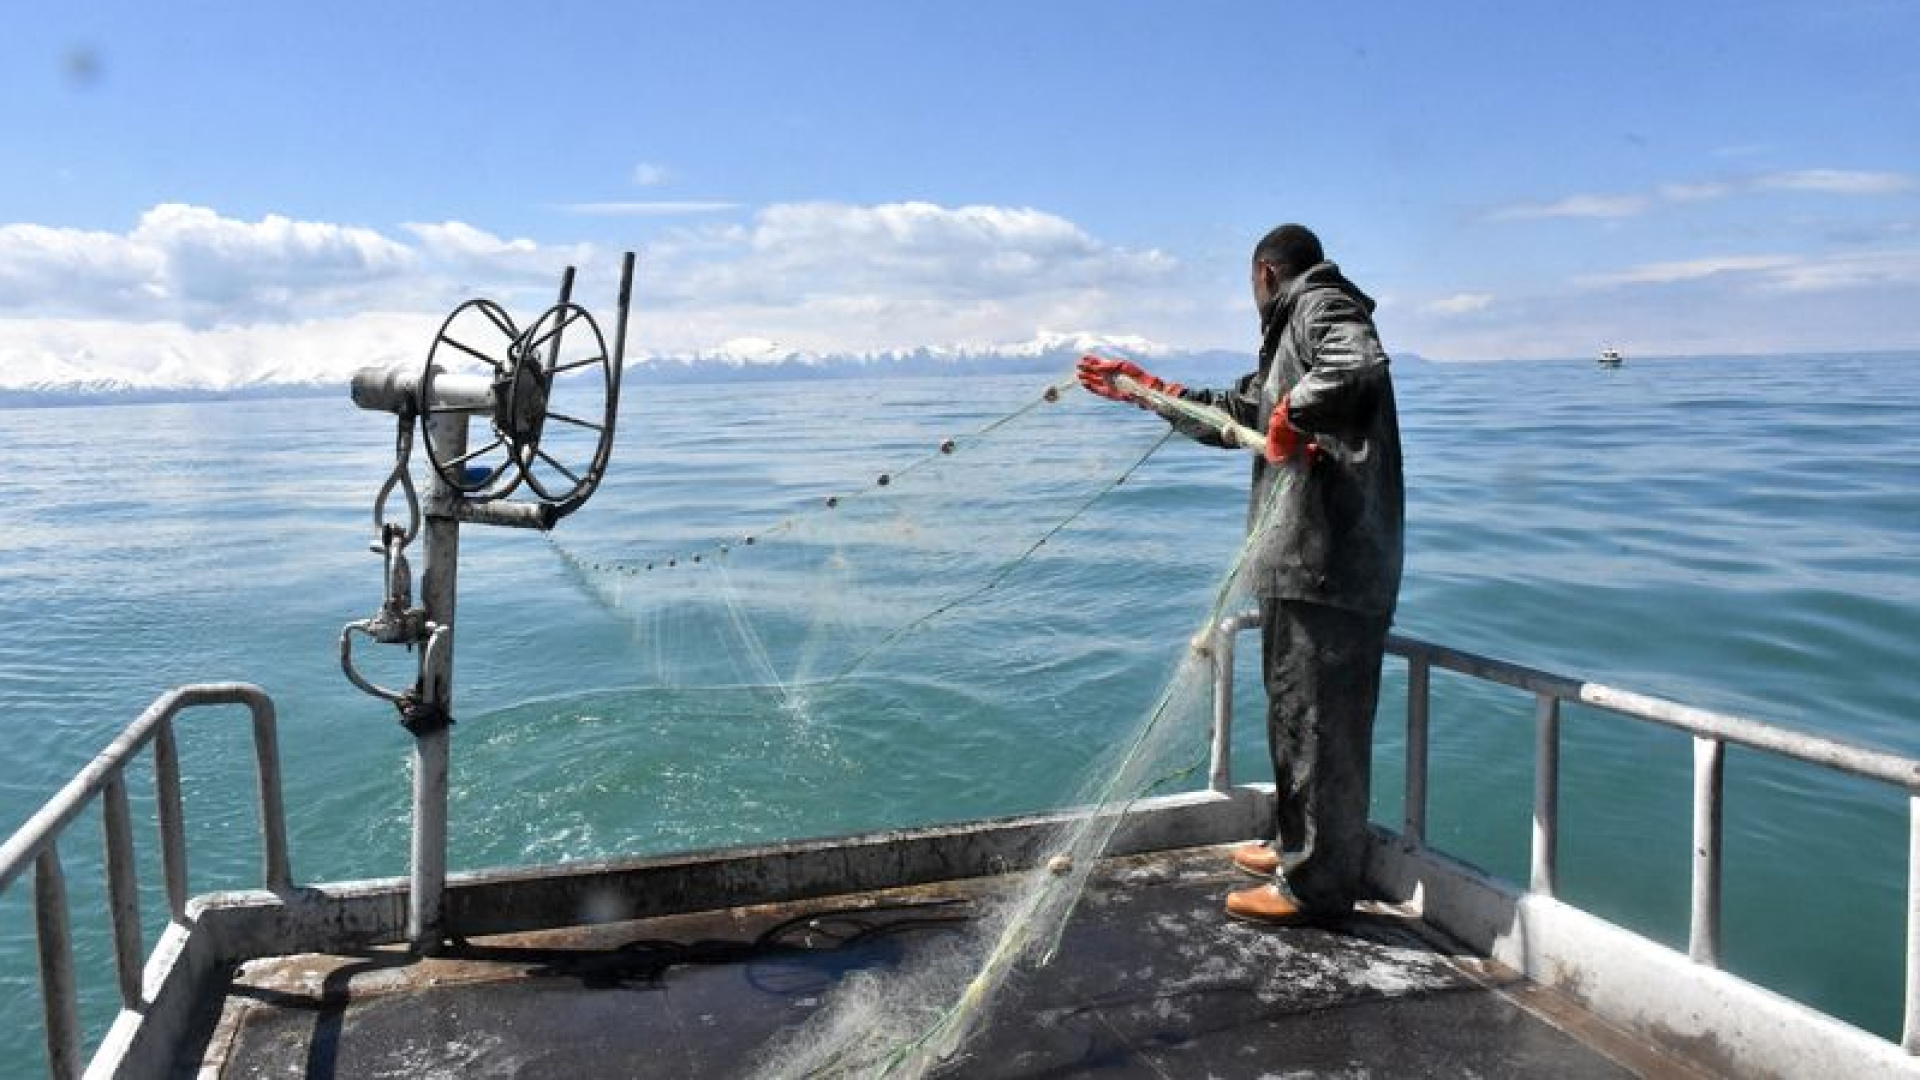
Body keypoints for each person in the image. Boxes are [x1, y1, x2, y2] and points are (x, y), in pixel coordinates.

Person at [1076, 223, 1404, 924]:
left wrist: (1296, 410)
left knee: (1321, 727)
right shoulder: (1290, 335)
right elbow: (1239, 413)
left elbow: (1358, 365)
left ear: (1264, 274)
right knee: (1292, 713)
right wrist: (1149, 393)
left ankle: (1316, 888)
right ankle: (1295, 843)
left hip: (1332, 563)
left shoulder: (1321, 305)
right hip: (1295, 560)